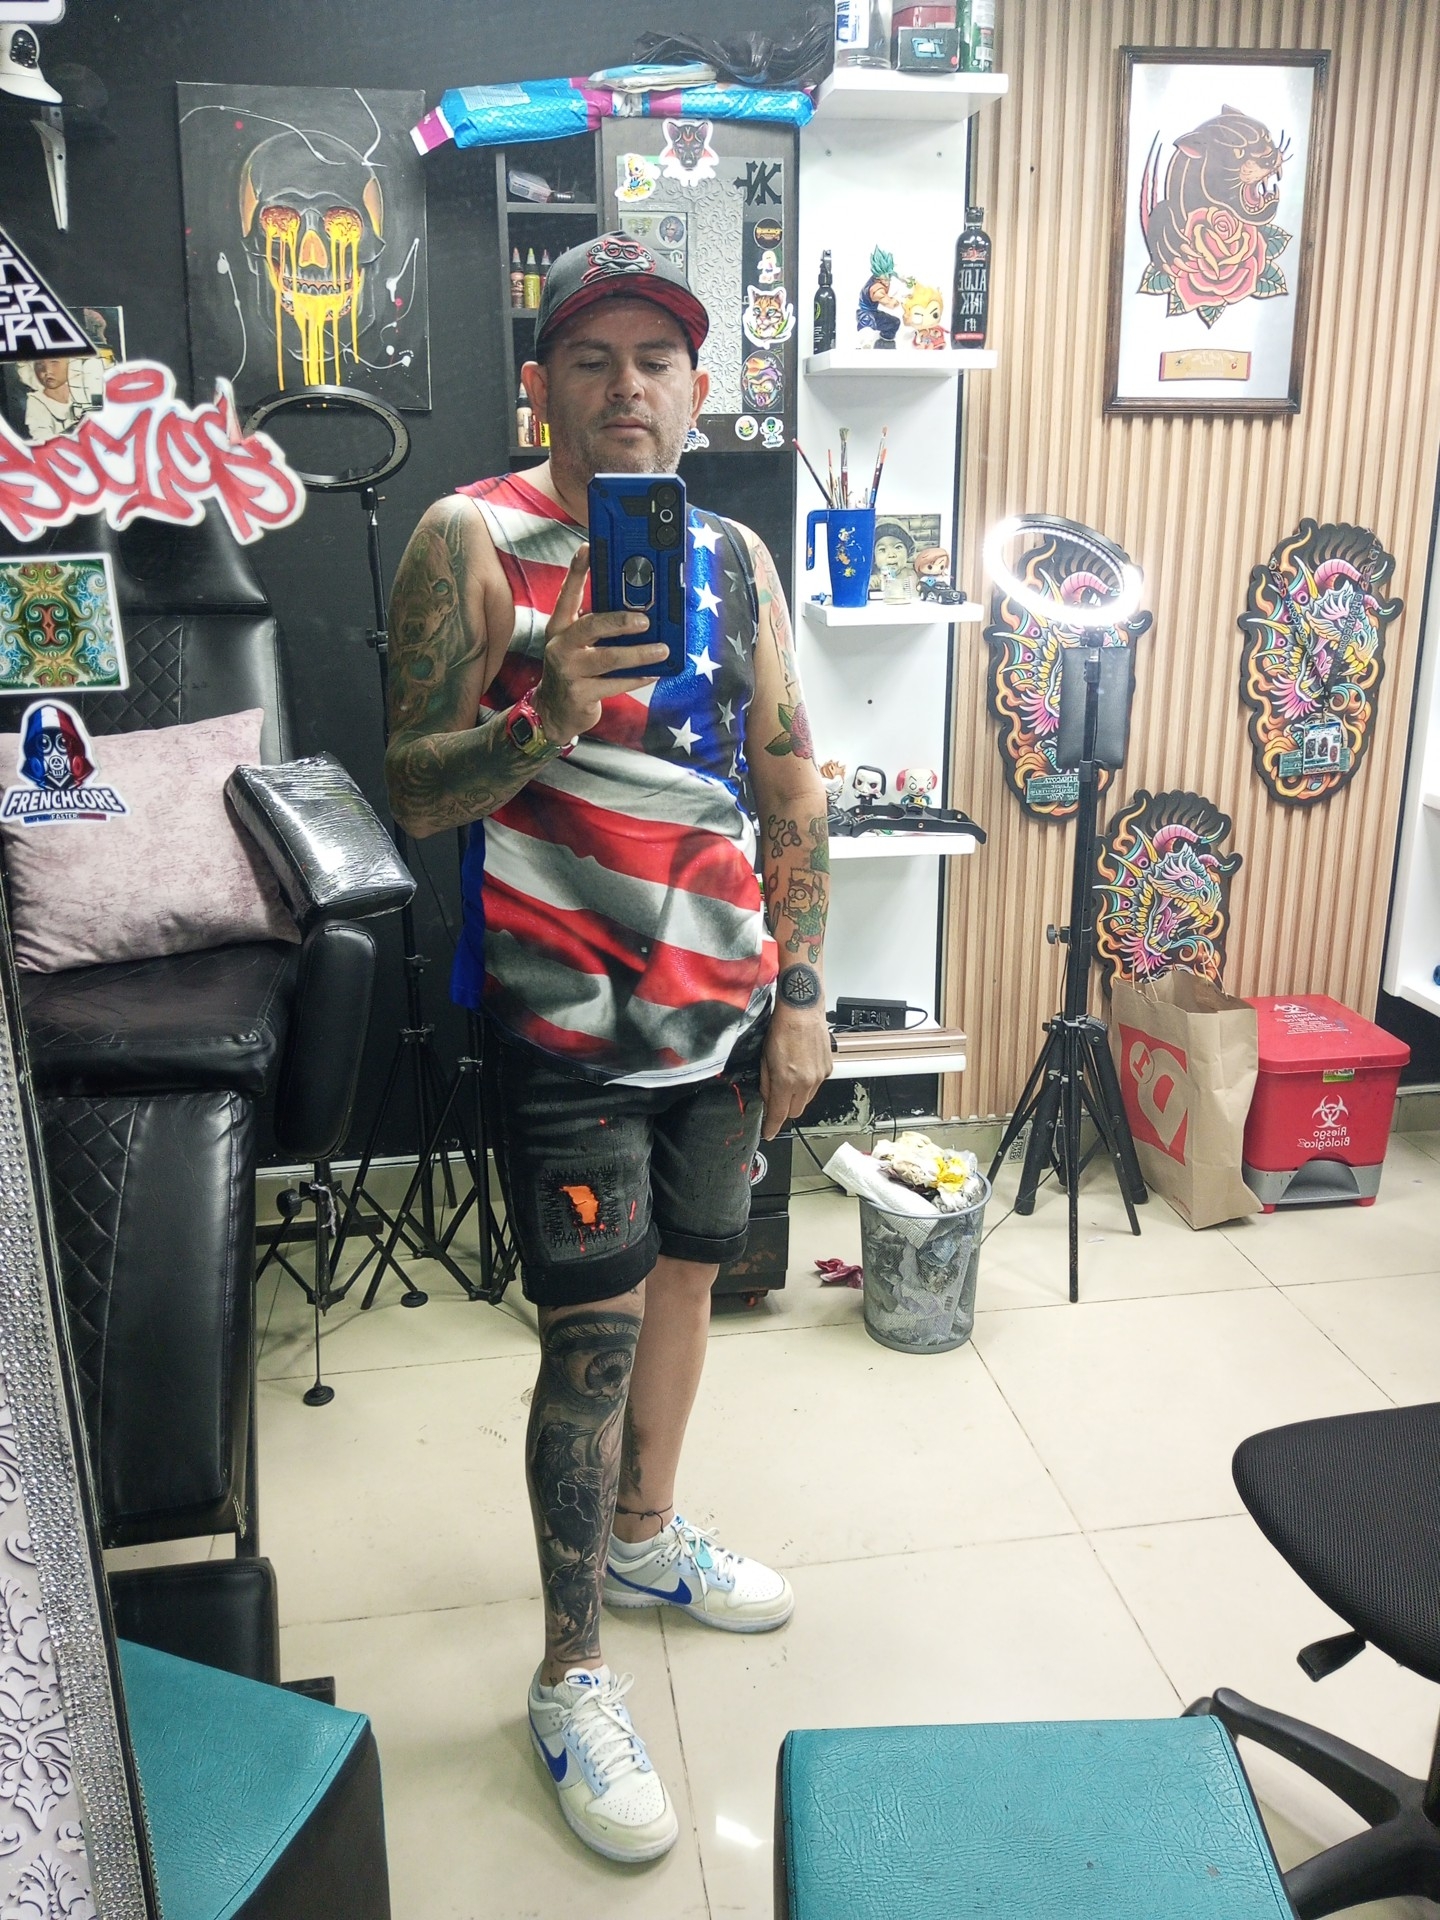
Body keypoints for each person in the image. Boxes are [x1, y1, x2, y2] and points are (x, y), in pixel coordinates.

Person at [385, 234, 832, 1865]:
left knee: (693, 1284)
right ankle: (570, 1673)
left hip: (723, 1015)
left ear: (700, 391)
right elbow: (413, 791)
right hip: (567, 1023)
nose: (626, 386)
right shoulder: (469, 539)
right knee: (587, 1342)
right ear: (542, 384)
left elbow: (789, 779)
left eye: (657, 359)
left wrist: (802, 990)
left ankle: (646, 1537)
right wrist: (541, 714)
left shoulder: (736, 556)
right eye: (591, 357)